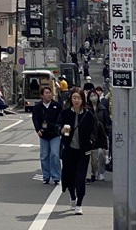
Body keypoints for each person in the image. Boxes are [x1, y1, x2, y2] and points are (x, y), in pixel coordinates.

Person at [58, 87, 95, 215]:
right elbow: (58, 125)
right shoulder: (65, 113)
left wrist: (91, 141)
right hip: (69, 150)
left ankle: (79, 204)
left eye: (79, 98)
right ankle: (72, 196)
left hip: (84, 151)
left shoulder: (88, 114)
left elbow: (95, 130)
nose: (76, 100)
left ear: (83, 99)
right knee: (70, 176)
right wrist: (61, 130)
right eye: (74, 97)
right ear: (71, 99)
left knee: (81, 177)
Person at [32, 85, 62, 184]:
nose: (49, 95)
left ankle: (56, 176)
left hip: (54, 134)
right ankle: (46, 176)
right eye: (46, 93)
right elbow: (35, 119)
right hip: (43, 134)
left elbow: (61, 118)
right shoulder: (38, 107)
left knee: (55, 154)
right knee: (44, 156)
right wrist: (38, 129)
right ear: (42, 95)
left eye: (50, 93)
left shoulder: (56, 106)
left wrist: (59, 128)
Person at [87, 89, 110, 181]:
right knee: (91, 157)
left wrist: (107, 134)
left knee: (101, 155)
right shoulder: (86, 109)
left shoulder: (102, 108)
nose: (93, 97)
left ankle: (100, 172)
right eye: (91, 96)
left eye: (95, 95)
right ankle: (92, 174)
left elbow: (106, 121)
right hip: (91, 135)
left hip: (101, 134)